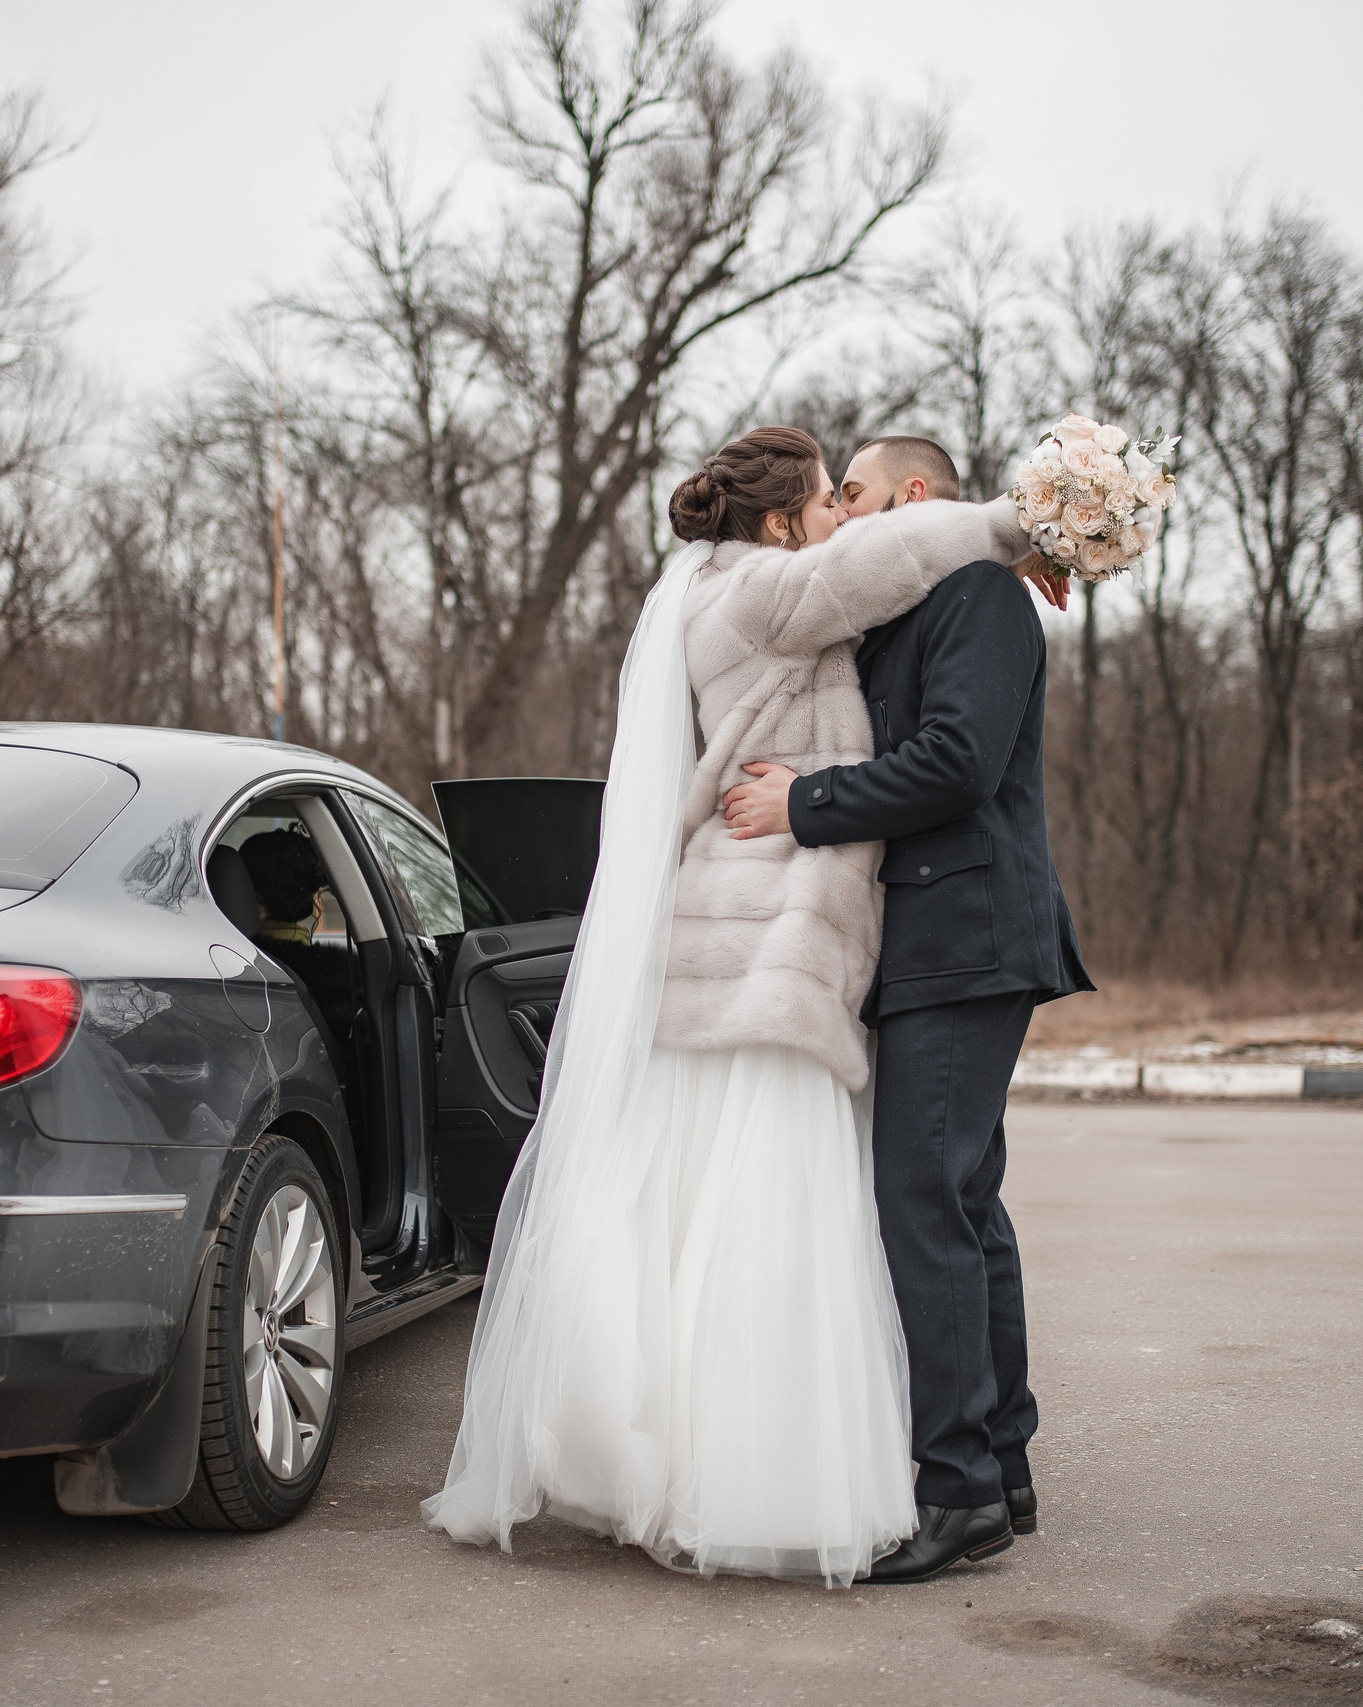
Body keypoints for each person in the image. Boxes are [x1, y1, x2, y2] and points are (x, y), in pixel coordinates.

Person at [422, 425, 1036, 1586]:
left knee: (744, 1209)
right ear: (778, 520)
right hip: (766, 935)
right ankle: (773, 1475)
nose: (844, 519)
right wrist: (1022, 523)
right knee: (774, 1213)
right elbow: (885, 561)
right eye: (827, 499)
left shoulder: (725, 593)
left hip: (749, 929)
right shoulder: (761, 591)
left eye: (858, 498)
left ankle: (933, 1466)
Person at [720, 434, 1093, 1582]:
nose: (843, 512)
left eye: (858, 494)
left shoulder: (978, 596)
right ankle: (1003, 1465)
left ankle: (957, 1494)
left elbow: (956, 764)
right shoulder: (899, 613)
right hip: (936, 941)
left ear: (914, 496)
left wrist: (803, 802)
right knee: (964, 1203)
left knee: (920, 1202)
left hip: (968, 936)